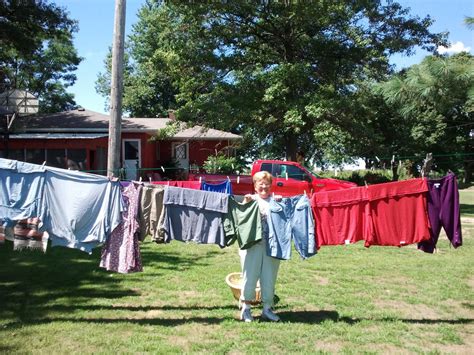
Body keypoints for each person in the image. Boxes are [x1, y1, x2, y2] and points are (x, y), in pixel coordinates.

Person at [240, 171, 281, 322]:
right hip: (252, 246)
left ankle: (267, 309)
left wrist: (279, 202)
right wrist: (246, 203)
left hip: (272, 246)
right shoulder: (250, 199)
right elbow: (240, 217)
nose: (264, 187)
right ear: (255, 186)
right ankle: (246, 308)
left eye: (267, 184)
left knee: (269, 277)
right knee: (249, 276)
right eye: (260, 184)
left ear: (271, 186)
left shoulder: (275, 201)